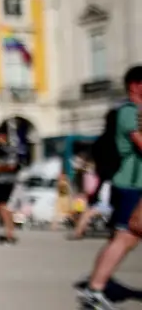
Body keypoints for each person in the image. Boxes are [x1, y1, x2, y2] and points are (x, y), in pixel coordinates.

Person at [80, 65, 142, 309]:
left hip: (132, 184)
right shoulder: (128, 112)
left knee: (124, 238)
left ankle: (95, 288)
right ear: (135, 86)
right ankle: (94, 289)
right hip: (131, 184)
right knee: (125, 238)